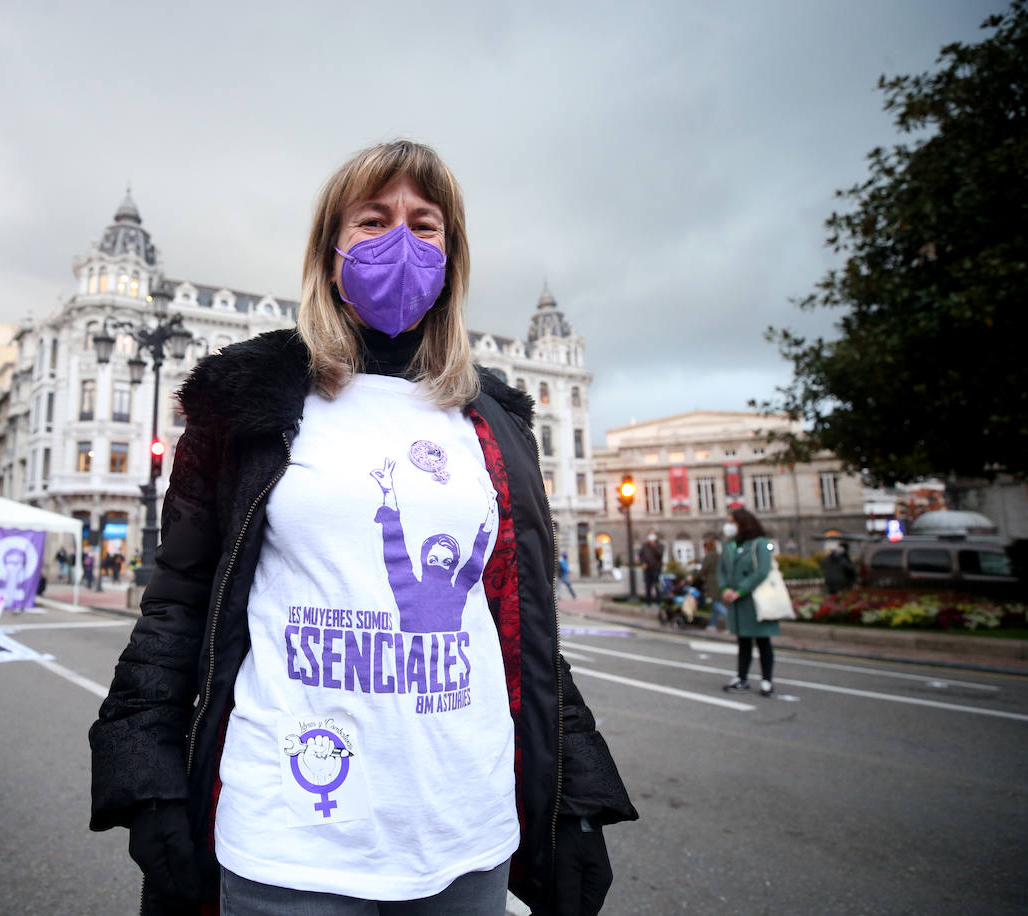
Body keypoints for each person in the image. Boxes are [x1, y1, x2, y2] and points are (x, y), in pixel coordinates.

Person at [89, 140, 636, 916]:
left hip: (467, 834)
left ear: (453, 254)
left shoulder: (496, 421)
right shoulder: (251, 399)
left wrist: (576, 796)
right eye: (374, 220)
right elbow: (178, 605)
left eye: (426, 224)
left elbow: (522, 626)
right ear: (331, 251)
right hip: (290, 836)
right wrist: (144, 779)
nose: (402, 241)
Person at [718, 508, 779, 697]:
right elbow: (721, 570)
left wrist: (741, 590)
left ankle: (767, 680)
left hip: (755, 600)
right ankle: (741, 677)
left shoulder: (759, 543)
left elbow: (762, 570)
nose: (729, 526)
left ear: (742, 523)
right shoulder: (730, 545)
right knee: (743, 641)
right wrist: (724, 588)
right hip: (737, 601)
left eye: (732, 522)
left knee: (763, 641)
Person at [698, 537, 727, 632]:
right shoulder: (719, 555)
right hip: (721, 581)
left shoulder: (709, 556)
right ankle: (713, 624)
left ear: (706, 548)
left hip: (712, 583)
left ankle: (730, 622)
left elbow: (703, 570)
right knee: (715, 604)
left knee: (716, 603)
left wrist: (694, 578)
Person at [639, 533, 664, 606]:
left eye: (652, 540)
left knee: (657, 586)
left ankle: (658, 602)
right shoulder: (645, 546)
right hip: (648, 569)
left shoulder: (660, 546)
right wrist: (643, 563)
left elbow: (660, 555)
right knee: (648, 586)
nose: (651, 542)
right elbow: (641, 555)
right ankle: (648, 602)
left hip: (656, 569)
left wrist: (654, 547)